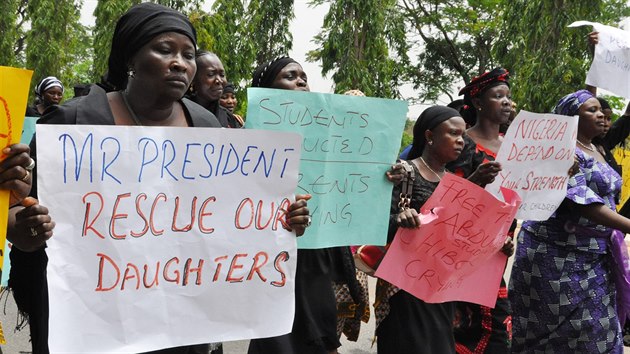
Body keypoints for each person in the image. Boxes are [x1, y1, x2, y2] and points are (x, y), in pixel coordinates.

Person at [7, 4, 310, 354]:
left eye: (188, 54)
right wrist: (27, 227)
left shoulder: (207, 126)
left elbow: (229, 220)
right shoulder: (73, 122)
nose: (180, 62)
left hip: (180, 318)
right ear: (130, 59)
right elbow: (20, 218)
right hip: (93, 319)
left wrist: (280, 223)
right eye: (164, 50)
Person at [247, 56, 358, 354]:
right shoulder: (248, 142)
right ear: (267, 89)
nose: (301, 81)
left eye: (304, 77)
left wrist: (384, 176)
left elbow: (354, 182)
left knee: (320, 337)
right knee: (277, 339)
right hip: (273, 257)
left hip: (317, 257)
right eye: (290, 76)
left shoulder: (330, 137)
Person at [509, 89, 626, 352]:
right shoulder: (558, 150)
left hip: (594, 257)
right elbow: (580, 201)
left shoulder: (596, 147)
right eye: (592, 110)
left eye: (601, 111)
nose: (601, 115)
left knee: (601, 331)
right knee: (559, 335)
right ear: (572, 117)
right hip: (555, 258)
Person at [375, 105, 466, 353]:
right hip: (405, 287)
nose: (460, 142)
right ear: (429, 136)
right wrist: (400, 219)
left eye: (463, 136)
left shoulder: (457, 184)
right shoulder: (403, 173)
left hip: (440, 286)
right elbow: (377, 223)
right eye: (453, 134)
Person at [446, 67, 513, 353]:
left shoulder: (515, 148)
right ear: (478, 103)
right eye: (499, 96)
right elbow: (446, 203)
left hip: (499, 252)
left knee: (497, 332)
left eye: (509, 96)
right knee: (473, 331)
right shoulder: (463, 146)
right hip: (461, 253)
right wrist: (477, 182)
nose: (508, 102)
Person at [189, 52, 243, 128]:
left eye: (222, 75)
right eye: (211, 74)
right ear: (193, 78)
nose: (219, 80)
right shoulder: (179, 111)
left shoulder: (228, 118)